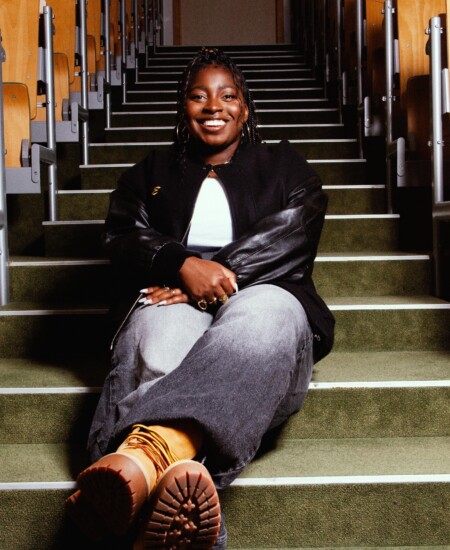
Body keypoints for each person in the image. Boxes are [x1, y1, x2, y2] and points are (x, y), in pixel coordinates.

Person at [65, 47, 335, 549]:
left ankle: (147, 454)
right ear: (182, 108)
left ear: (245, 108)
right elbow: (123, 234)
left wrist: (214, 274)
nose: (214, 106)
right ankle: (172, 481)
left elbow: (296, 231)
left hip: (263, 301)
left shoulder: (285, 166)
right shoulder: (149, 172)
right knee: (158, 338)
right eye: (199, 95)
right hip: (170, 300)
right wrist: (180, 265)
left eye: (228, 96)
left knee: (267, 315)